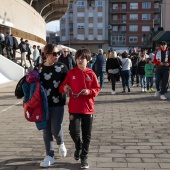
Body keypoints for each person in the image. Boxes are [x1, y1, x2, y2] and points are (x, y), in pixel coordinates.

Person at [59, 48, 100, 169]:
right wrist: (64, 88)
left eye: (82, 58)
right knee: (74, 131)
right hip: (74, 108)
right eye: (78, 58)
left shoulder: (91, 73)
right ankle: (78, 146)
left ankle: (84, 156)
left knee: (87, 134)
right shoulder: (71, 73)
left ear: (87, 60)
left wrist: (89, 91)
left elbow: (97, 89)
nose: (80, 60)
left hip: (87, 108)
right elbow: (62, 86)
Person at [38, 44, 68, 167]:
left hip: (58, 103)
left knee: (55, 128)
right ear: (46, 55)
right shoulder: (39, 69)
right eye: (55, 54)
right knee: (46, 130)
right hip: (43, 104)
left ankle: (60, 142)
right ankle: (50, 155)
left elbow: (68, 81)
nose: (57, 56)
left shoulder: (62, 67)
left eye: (58, 53)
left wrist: (68, 88)